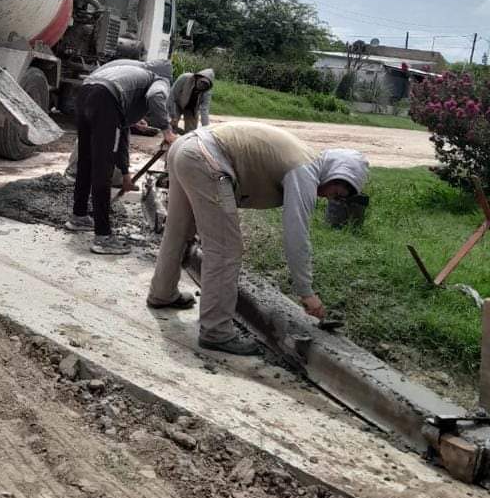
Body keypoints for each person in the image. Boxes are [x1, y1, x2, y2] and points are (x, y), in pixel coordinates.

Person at [147, 121, 368, 355]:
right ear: (335, 173)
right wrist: (306, 292)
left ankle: (162, 294)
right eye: (335, 192)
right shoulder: (305, 172)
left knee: (178, 230)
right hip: (204, 158)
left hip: (187, 147)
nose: (327, 197)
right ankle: (216, 331)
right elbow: (296, 236)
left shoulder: (305, 160)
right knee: (225, 249)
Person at [67, 58, 177, 255]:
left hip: (85, 93)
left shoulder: (128, 72)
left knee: (86, 161)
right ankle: (103, 237)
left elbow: (121, 134)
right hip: (105, 99)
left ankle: (78, 216)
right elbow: (156, 96)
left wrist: (126, 173)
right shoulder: (159, 79)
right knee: (103, 167)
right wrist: (167, 131)